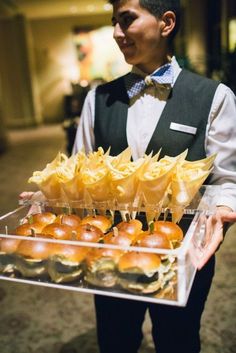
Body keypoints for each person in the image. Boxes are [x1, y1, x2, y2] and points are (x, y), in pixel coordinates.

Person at [72, 1, 236, 352]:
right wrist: (57, 199)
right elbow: (80, 173)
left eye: (127, 20)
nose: (117, 32)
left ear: (166, 23)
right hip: (109, 253)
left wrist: (224, 209)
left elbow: (228, 180)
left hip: (185, 256)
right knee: (116, 340)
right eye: (114, 22)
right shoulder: (96, 99)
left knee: (178, 341)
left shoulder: (214, 97)